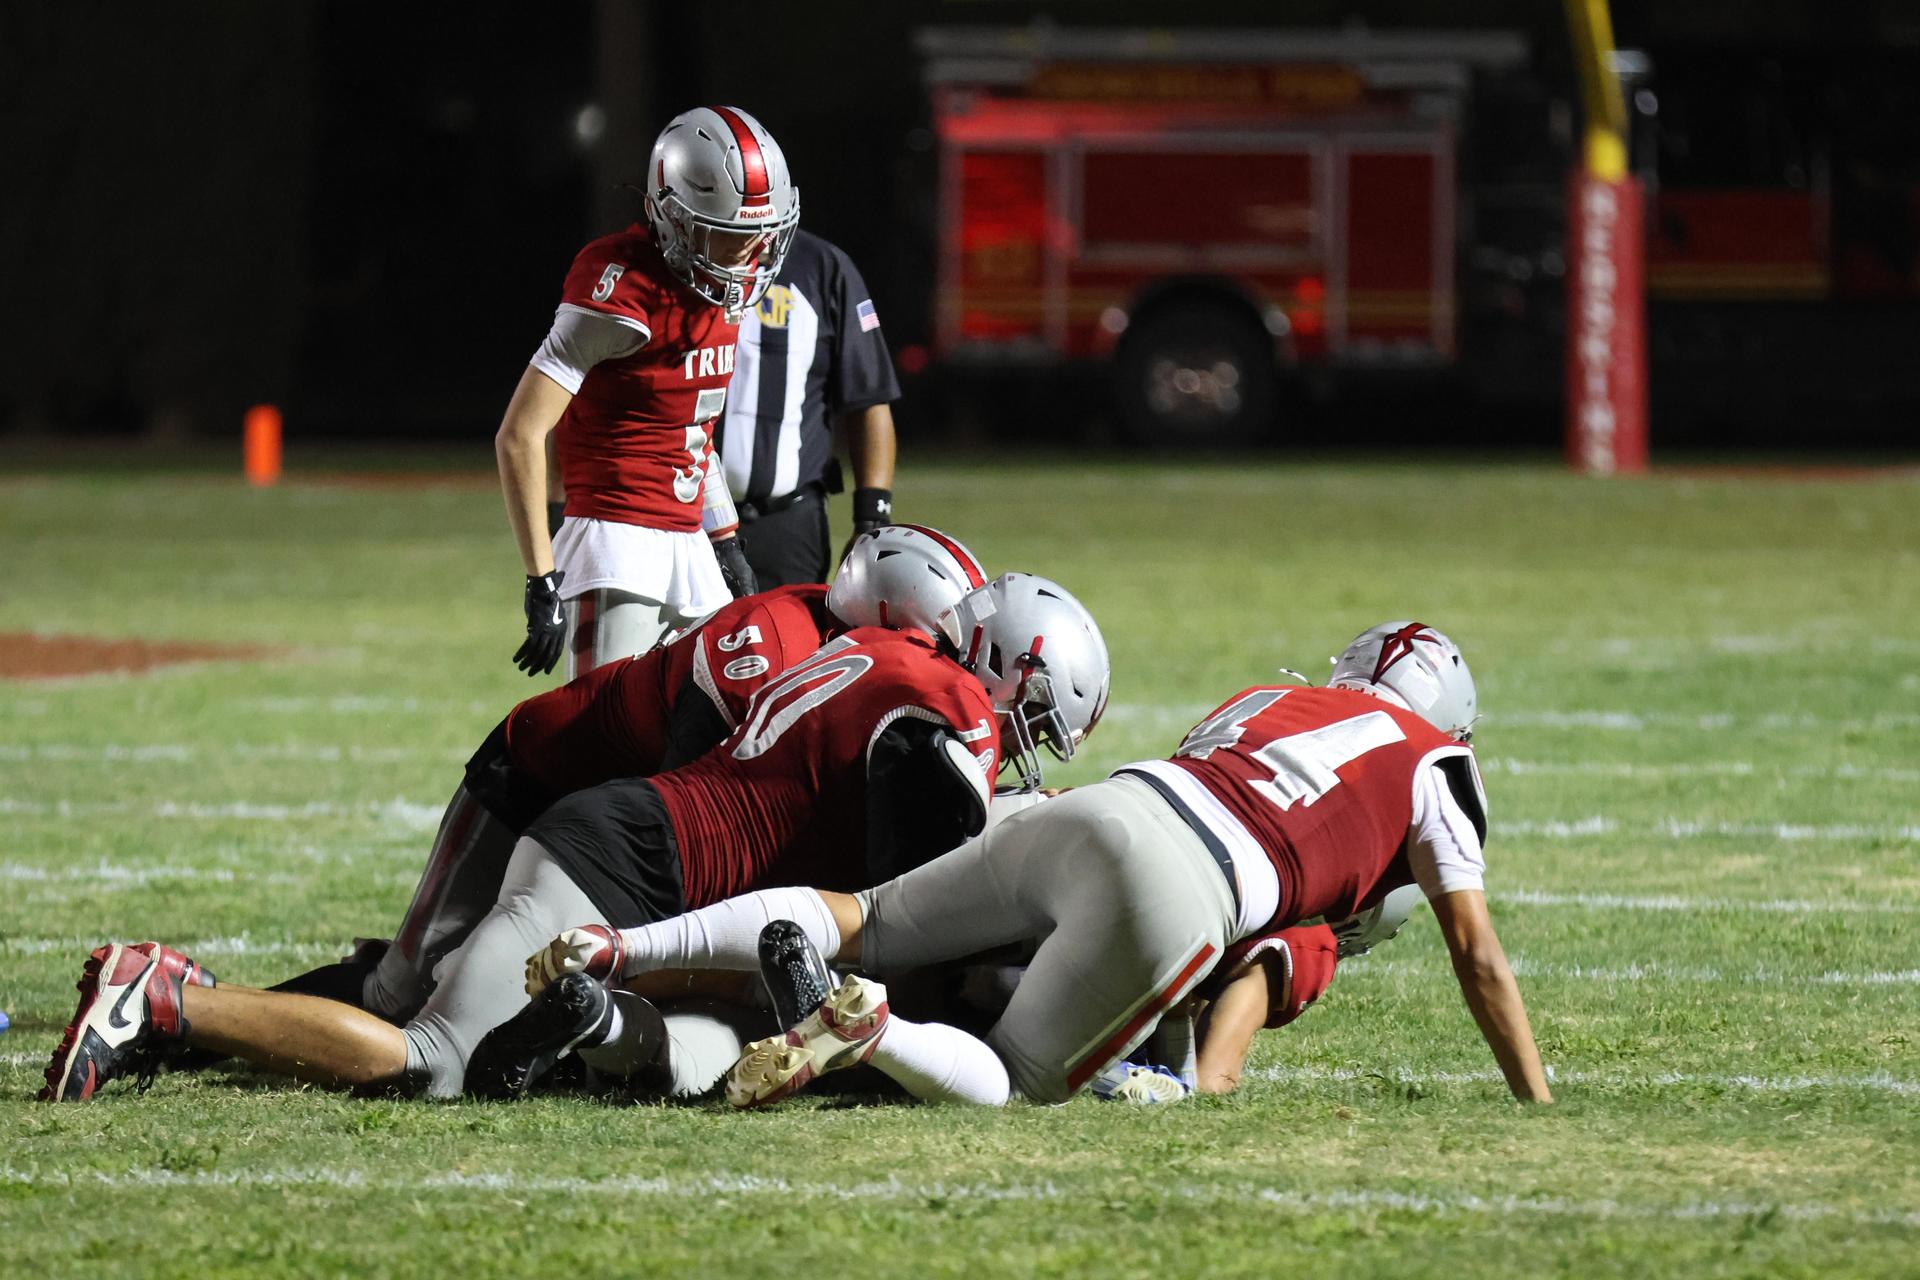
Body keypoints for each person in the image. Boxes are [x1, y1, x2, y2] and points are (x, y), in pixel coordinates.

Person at [39, 574, 1107, 1104]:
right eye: (1036, 722)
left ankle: (187, 1016)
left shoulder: (876, 653)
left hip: (643, 850)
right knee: (434, 1059)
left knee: (567, 1020)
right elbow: (922, 896)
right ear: (1014, 669)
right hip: (623, 863)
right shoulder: (948, 709)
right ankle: (164, 993)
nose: (1022, 752)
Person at [529, 621, 1552, 1108]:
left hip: (1118, 801)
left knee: (863, 912)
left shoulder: (1276, 699)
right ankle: (870, 1023)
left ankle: (619, 946)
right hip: (1189, 886)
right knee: (1015, 1079)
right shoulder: (1437, 759)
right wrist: (1534, 1100)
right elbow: (1479, 955)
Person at [268, 525, 991, 1028]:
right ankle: (195, 1018)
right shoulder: (769, 644)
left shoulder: (838, 638)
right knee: (403, 993)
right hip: (534, 780)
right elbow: (695, 809)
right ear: (900, 613)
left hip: (604, 819)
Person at [497, 105, 800, 681]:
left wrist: (725, 537)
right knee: (601, 742)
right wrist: (542, 579)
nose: (750, 251)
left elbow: (691, 428)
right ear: (674, 217)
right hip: (617, 543)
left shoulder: (721, 291)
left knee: (697, 751)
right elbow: (520, 435)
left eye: (759, 232)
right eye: (729, 233)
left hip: (690, 544)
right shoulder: (621, 290)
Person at [715, 229, 902, 588]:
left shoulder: (821, 266)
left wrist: (871, 519)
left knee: (786, 642)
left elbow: (869, 398)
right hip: (681, 521)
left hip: (787, 521)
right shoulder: (674, 261)